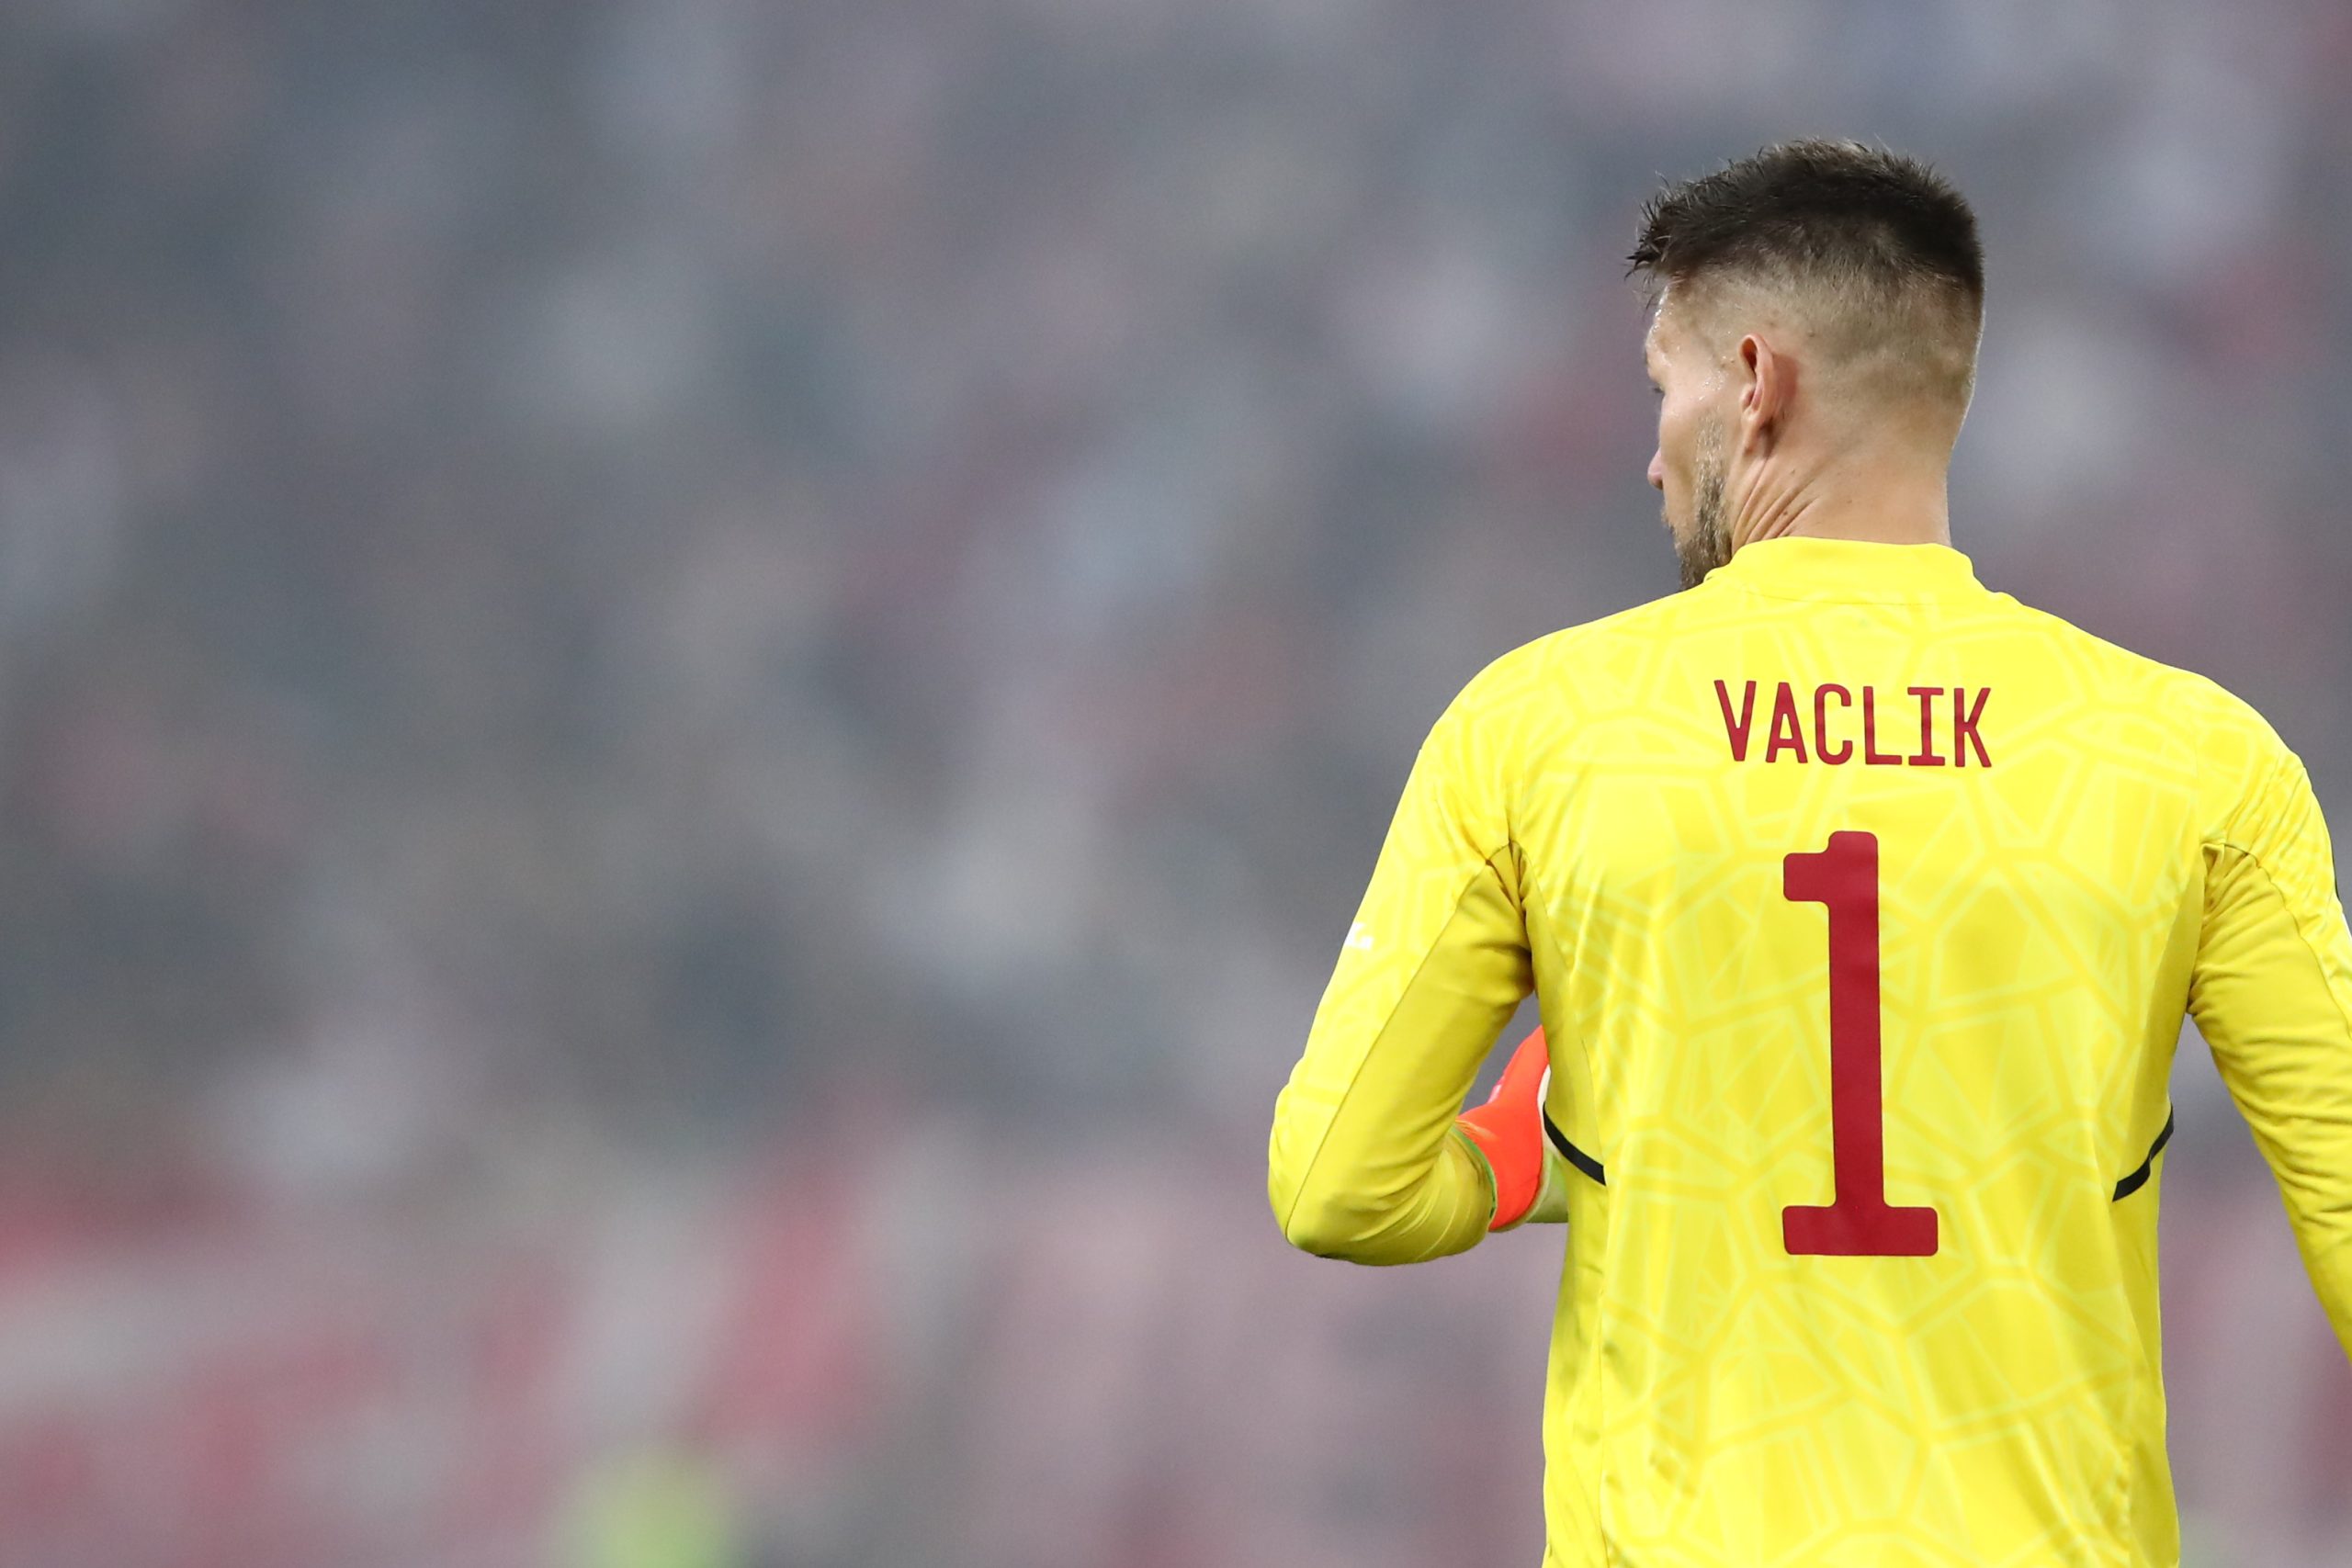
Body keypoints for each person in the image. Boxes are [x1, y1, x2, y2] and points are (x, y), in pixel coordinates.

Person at [1266, 139, 2352, 1567]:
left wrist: (1520, 1150)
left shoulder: (1543, 728)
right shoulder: (2191, 757)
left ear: (1757, 384)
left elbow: (1340, 1185)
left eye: (1664, 388)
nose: (1650, 453)